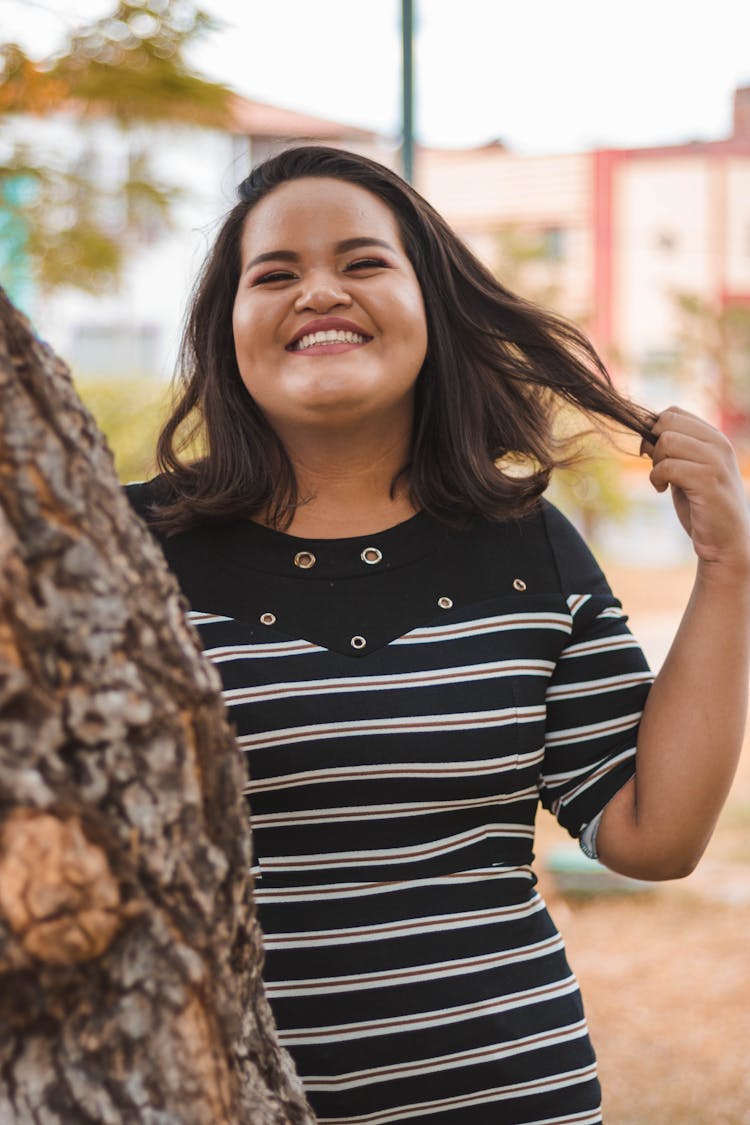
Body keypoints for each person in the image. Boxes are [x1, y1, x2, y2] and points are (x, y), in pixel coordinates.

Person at [127, 145, 750, 1125]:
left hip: (512, 1098)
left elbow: (653, 836)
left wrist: (728, 571)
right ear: (227, 326)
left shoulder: (527, 546)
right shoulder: (115, 552)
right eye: (275, 273)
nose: (319, 291)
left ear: (431, 308)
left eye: (364, 262)